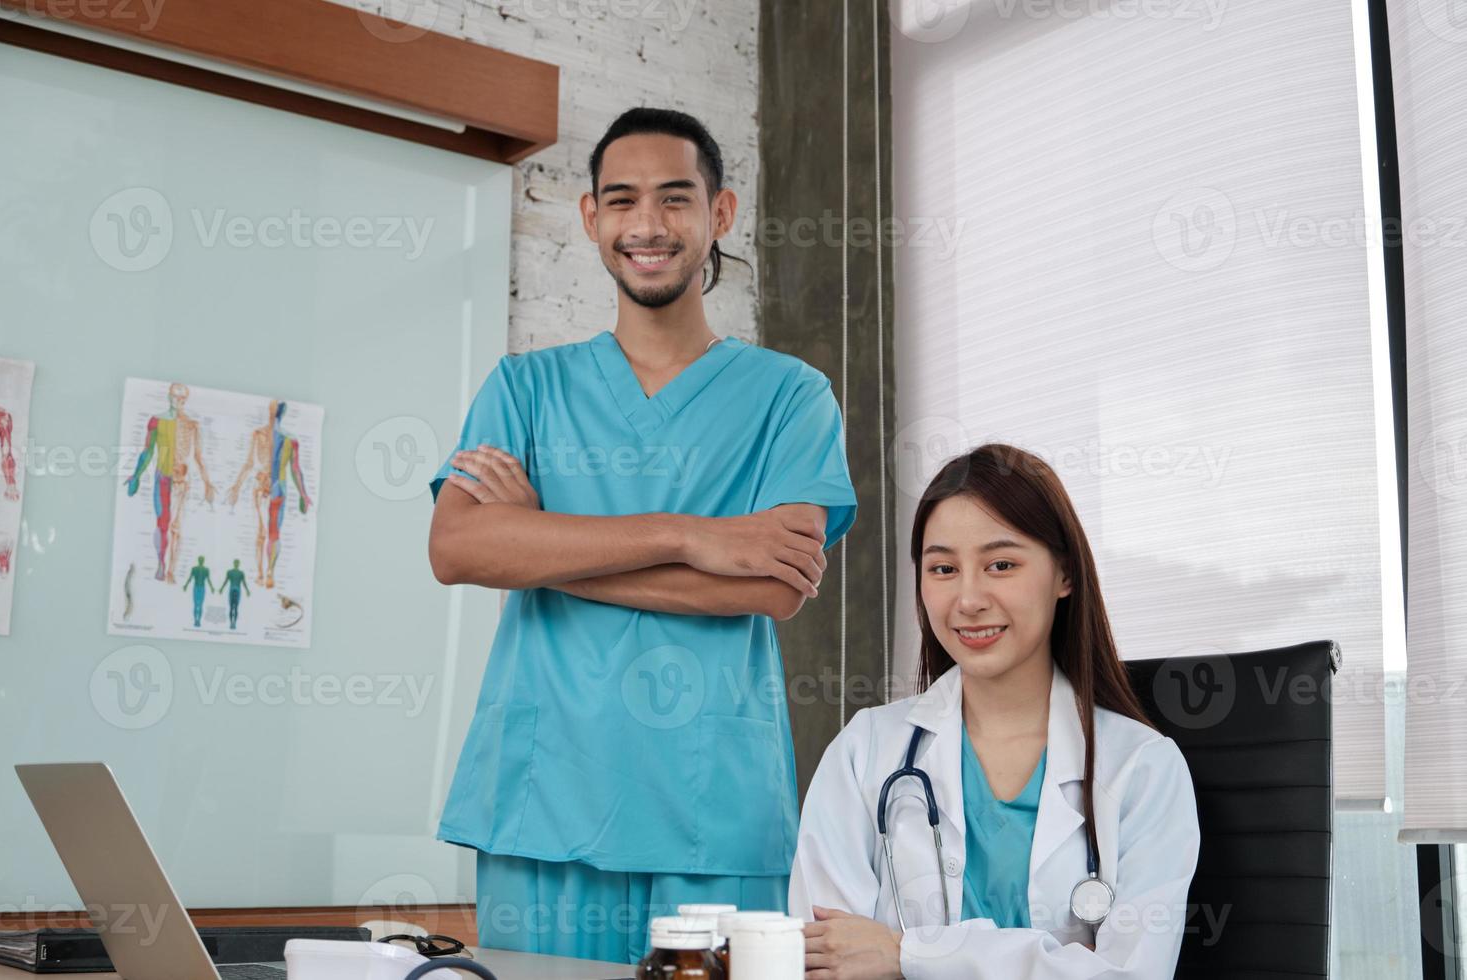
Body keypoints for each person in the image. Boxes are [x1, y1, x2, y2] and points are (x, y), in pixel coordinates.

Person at [427, 106, 859, 964]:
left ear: (720, 213)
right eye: (621, 201)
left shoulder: (790, 396)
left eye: (675, 198)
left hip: (713, 810)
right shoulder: (525, 387)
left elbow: (774, 587)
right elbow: (458, 550)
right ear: (591, 220)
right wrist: (688, 536)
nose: (648, 225)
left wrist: (539, 545)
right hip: (542, 798)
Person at [789, 444, 1198, 979]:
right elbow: (827, 957)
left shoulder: (1142, 769)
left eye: (1001, 564)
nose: (968, 598)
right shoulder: (865, 751)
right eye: (942, 568)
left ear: (1065, 575)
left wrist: (908, 955)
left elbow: (1131, 975)